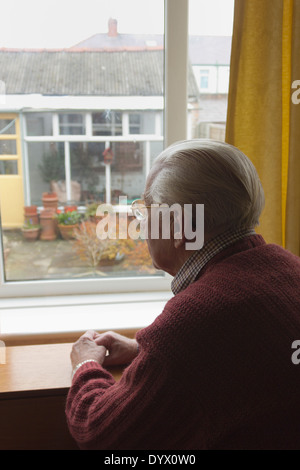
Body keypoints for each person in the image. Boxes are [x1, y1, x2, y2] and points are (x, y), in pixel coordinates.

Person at [66, 139, 300, 450]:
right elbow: (245, 365)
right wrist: (144, 354)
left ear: (180, 226)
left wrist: (86, 366)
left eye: (146, 209)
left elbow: (102, 436)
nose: (141, 223)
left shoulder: (197, 319)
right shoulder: (289, 267)